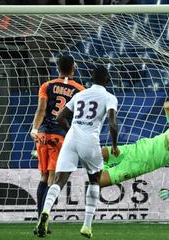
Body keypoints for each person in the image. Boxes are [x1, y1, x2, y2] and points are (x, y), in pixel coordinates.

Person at [35, 66, 119, 238]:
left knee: (59, 180)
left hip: (71, 138)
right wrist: (115, 145)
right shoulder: (110, 97)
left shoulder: (80, 95)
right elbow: (112, 123)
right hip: (90, 141)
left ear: (92, 79)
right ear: (107, 79)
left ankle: (45, 212)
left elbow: (59, 117)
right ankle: (87, 226)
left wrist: (71, 131)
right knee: (94, 180)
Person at [99, 101, 169, 201]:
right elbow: (167, 105)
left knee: (98, 181)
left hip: (136, 166)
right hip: (132, 149)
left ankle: (103, 171)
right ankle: (104, 166)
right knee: (97, 153)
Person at [30, 55, 85, 229]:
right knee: (53, 178)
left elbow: (41, 109)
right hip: (60, 136)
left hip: (43, 134)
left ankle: (40, 216)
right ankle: (44, 219)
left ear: (58, 69)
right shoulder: (80, 90)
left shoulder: (47, 85)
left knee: (44, 176)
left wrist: (34, 129)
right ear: (73, 68)